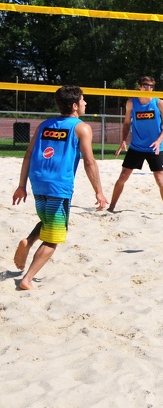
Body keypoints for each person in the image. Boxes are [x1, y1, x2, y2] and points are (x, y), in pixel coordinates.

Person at [12, 85, 108, 290]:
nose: (85, 103)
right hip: (58, 185)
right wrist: (99, 191)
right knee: (54, 238)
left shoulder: (44, 125)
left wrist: (22, 185)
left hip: (37, 182)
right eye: (83, 100)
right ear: (74, 105)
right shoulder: (81, 127)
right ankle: (27, 278)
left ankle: (28, 243)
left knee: (47, 220)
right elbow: (89, 162)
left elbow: (28, 154)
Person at [108, 76, 163, 214]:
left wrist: (159, 140)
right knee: (123, 177)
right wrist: (123, 140)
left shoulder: (159, 103)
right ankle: (111, 207)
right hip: (136, 146)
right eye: (145, 85)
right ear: (139, 86)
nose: (148, 88)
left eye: (151, 86)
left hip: (155, 146)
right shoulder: (132, 102)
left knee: (160, 179)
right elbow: (126, 123)